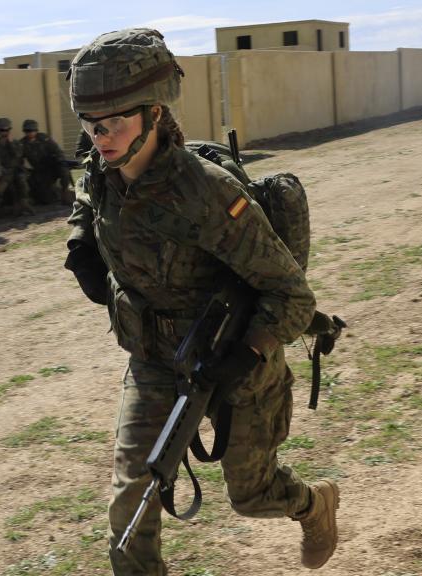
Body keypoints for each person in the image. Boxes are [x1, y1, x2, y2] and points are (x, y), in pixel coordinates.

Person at [64, 28, 337, 575]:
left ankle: (314, 505)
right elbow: (87, 205)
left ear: (155, 115)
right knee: (130, 500)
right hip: (155, 360)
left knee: (252, 494)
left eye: (117, 123)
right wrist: (81, 246)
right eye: (94, 126)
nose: (103, 137)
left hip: (236, 357)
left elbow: (291, 294)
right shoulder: (101, 176)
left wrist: (250, 351)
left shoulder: (207, 192)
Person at [21, 118, 73, 205]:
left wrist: (60, 162)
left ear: (36, 130)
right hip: (40, 172)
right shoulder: (22, 144)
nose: (30, 133)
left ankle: (65, 194)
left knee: (64, 170)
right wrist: (26, 170)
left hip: (52, 167)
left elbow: (58, 151)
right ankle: (54, 192)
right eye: (27, 131)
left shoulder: (44, 138)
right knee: (46, 200)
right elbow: (19, 160)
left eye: (32, 130)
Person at [0, 117, 33, 217]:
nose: (4, 132)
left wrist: (10, 143)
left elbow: (18, 155)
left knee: (21, 180)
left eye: (7, 130)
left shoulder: (15, 143)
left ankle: (24, 203)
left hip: (17, 170)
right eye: (2, 130)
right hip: (4, 172)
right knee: (0, 187)